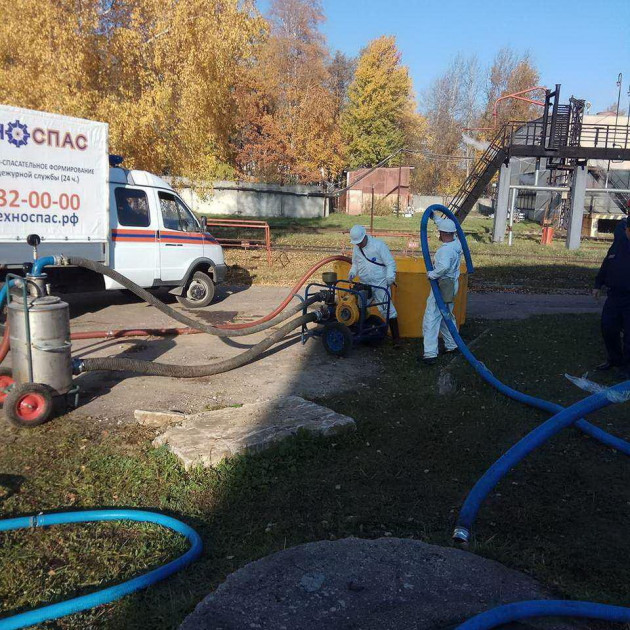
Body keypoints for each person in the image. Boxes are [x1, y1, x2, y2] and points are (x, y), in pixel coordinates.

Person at [347, 225, 400, 343]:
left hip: (380, 283)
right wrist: (352, 273)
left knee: (387, 310)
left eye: (360, 242)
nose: (358, 245)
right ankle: (362, 332)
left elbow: (390, 263)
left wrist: (390, 277)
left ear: (364, 236)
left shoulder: (379, 245)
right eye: (356, 243)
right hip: (365, 284)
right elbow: (355, 263)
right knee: (360, 307)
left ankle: (396, 339)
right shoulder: (356, 248)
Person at [422, 216, 463, 365]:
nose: (439, 234)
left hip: (442, 285)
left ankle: (430, 354)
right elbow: (447, 227)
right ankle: (452, 344)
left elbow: (443, 267)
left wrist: (432, 274)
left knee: (431, 318)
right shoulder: (456, 243)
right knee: (446, 316)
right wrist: (436, 218)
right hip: (451, 284)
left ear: (443, 233)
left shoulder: (445, 251)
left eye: (440, 232)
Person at [593, 217, 630, 377]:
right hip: (614, 296)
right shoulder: (617, 246)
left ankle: (627, 367)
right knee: (608, 327)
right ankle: (614, 359)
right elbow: (606, 265)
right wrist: (597, 284)